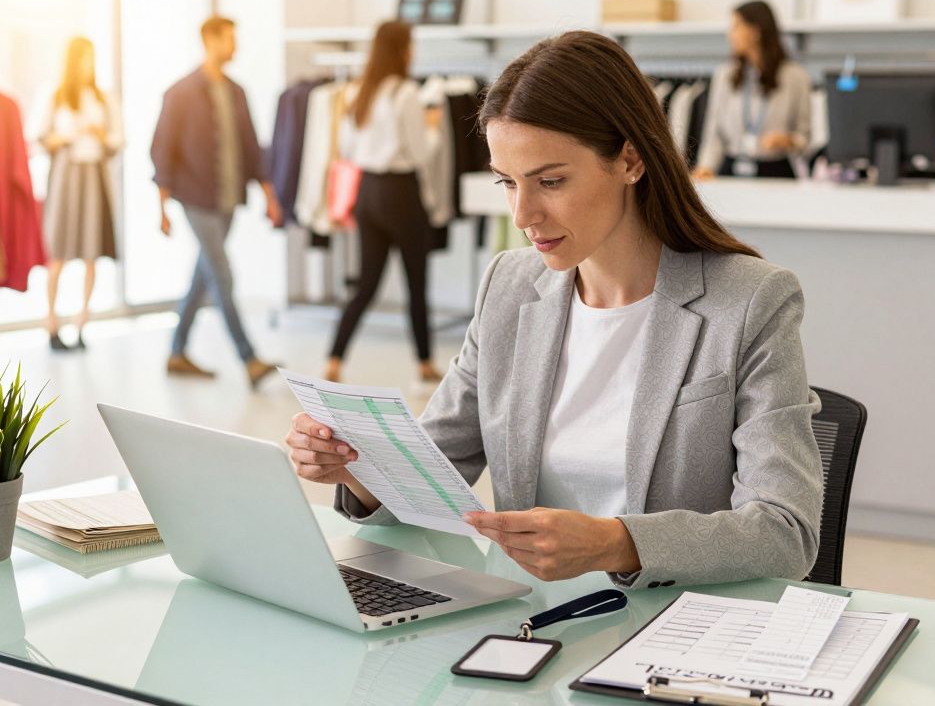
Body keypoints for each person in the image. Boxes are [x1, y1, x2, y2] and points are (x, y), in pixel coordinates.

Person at [285, 31, 823, 590]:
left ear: (631, 159)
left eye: (550, 181)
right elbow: (434, 472)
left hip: (670, 630)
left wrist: (615, 544)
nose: (523, 214)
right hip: (530, 621)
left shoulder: (751, 301)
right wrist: (358, 468)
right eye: (507, 183)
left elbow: (786, 532)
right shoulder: (509, 286)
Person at [150, 16, 282, 388]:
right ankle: (249, 358)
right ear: (209, 40)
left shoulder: (237, 91)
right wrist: (161, 206)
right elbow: (162, 148)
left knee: (203, 275)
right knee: (222, 274)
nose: (235, 47)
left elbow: (253, 148)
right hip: (194, 199)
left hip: (227, 199)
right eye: (229, 39)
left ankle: (176, 352)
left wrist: (269, 195)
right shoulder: (180, 92)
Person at [323, 21, 443, 385]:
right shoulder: (405, 93)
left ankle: (334, 359)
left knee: (365, 284)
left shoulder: (359, 92)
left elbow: (346, 147)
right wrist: (433, 126)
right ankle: (424, 363)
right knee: (416, 282)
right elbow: (421, 153)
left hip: (367, 192)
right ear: (402, 49)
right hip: (400, 192)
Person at [39, 37, 123, 351]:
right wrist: (67, 136)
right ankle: (51, 323)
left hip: (94, 176)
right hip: (66, 176)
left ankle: (81, 323)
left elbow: (117, 140)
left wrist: (102, 135)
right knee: (58, 253)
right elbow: (40, 138)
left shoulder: (103, 98)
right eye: (83, 59)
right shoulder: (55, 96)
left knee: (91, 254)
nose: (88, 65)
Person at [692, 0, 811, 180]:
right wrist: (705, 166)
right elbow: (714, 132)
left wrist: (788, 141)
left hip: (776, 172)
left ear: (756, 31)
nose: (730, 34)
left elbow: (806, 136)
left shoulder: (795, 76)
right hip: (730, 169)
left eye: (736, 27)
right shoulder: (725, 75)